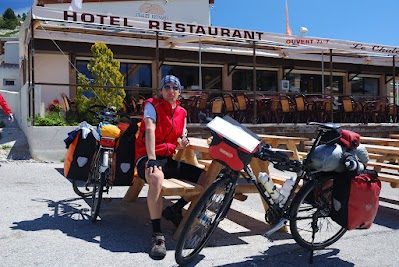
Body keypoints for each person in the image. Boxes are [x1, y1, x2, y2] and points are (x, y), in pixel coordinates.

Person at [135, 75, 204, 260]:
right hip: (146, 157)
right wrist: (151, 160)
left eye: (175, 87)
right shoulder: (152, 105)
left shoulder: (182, 112)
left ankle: (175, 208)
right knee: (156, 178)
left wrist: (183, 140)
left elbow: (182, 136)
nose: (170, 90)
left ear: (179, 92)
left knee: (206, 178)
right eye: (167, 87)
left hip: (167, 158)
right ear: (161, 90)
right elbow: (149, 129)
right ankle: (157, 236)